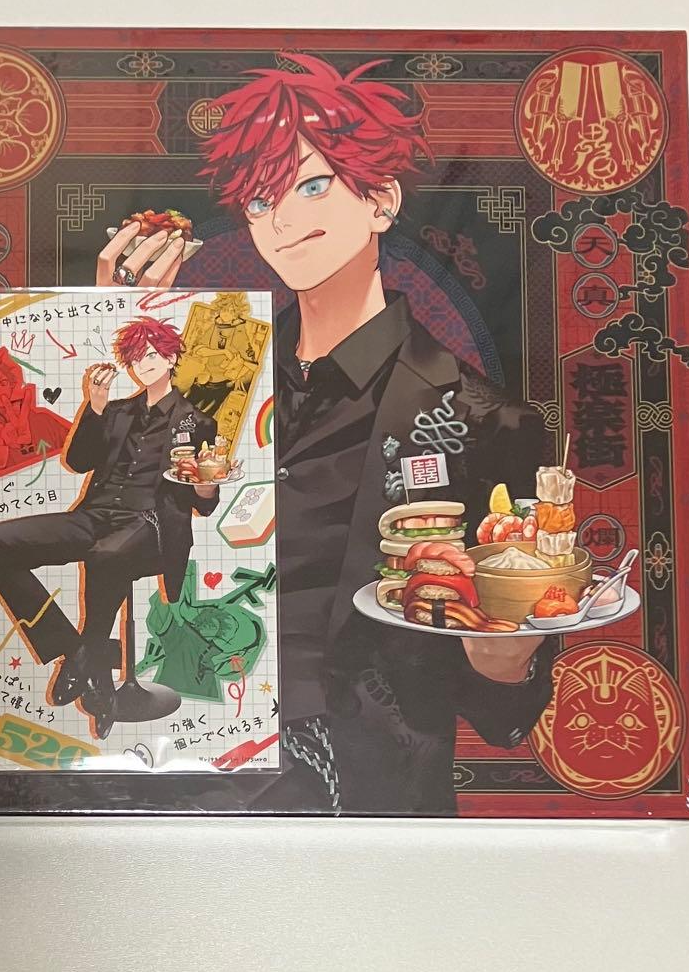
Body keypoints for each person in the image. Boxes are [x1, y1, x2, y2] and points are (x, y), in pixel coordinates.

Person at [96, 54, 552, 814]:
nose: (280, 219)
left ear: (381, 200)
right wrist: (106, 325)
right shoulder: (210, 368)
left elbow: (507, 712)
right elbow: (111, 509)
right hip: (185, 762)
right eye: (258, 198)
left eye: (311, 185)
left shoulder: (483, 418)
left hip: (366, 794)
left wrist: (502, 661)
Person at [0, 317, 219, 738]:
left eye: (152, 354)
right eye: (136, 358)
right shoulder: (116, 411)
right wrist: (96, 405)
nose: (144, 364)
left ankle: (88, 660)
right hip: (94, 516)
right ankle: (83, 655)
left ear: (172, 357)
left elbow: (203, 504)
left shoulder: (197, 421)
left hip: (151, 525)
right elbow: (79, 461)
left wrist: (207, 485)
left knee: (108, 555)